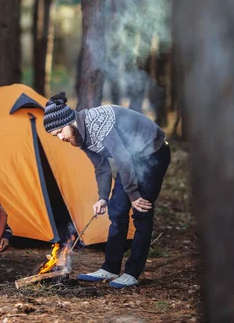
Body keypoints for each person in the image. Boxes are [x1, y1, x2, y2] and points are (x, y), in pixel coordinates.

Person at [43, 92, 170, 289]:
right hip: (129, 158)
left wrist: (134, 196)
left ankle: (132, 273)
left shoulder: (97, 123)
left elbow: (123, 160)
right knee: (117, 211)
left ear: (69, 120)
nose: (60, 138)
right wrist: (102, 198)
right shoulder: (78, 136)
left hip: (151, 153)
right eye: (55, 135)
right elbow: (101, 167)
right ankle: (110, 267)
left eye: (60, 131)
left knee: (141, 212)